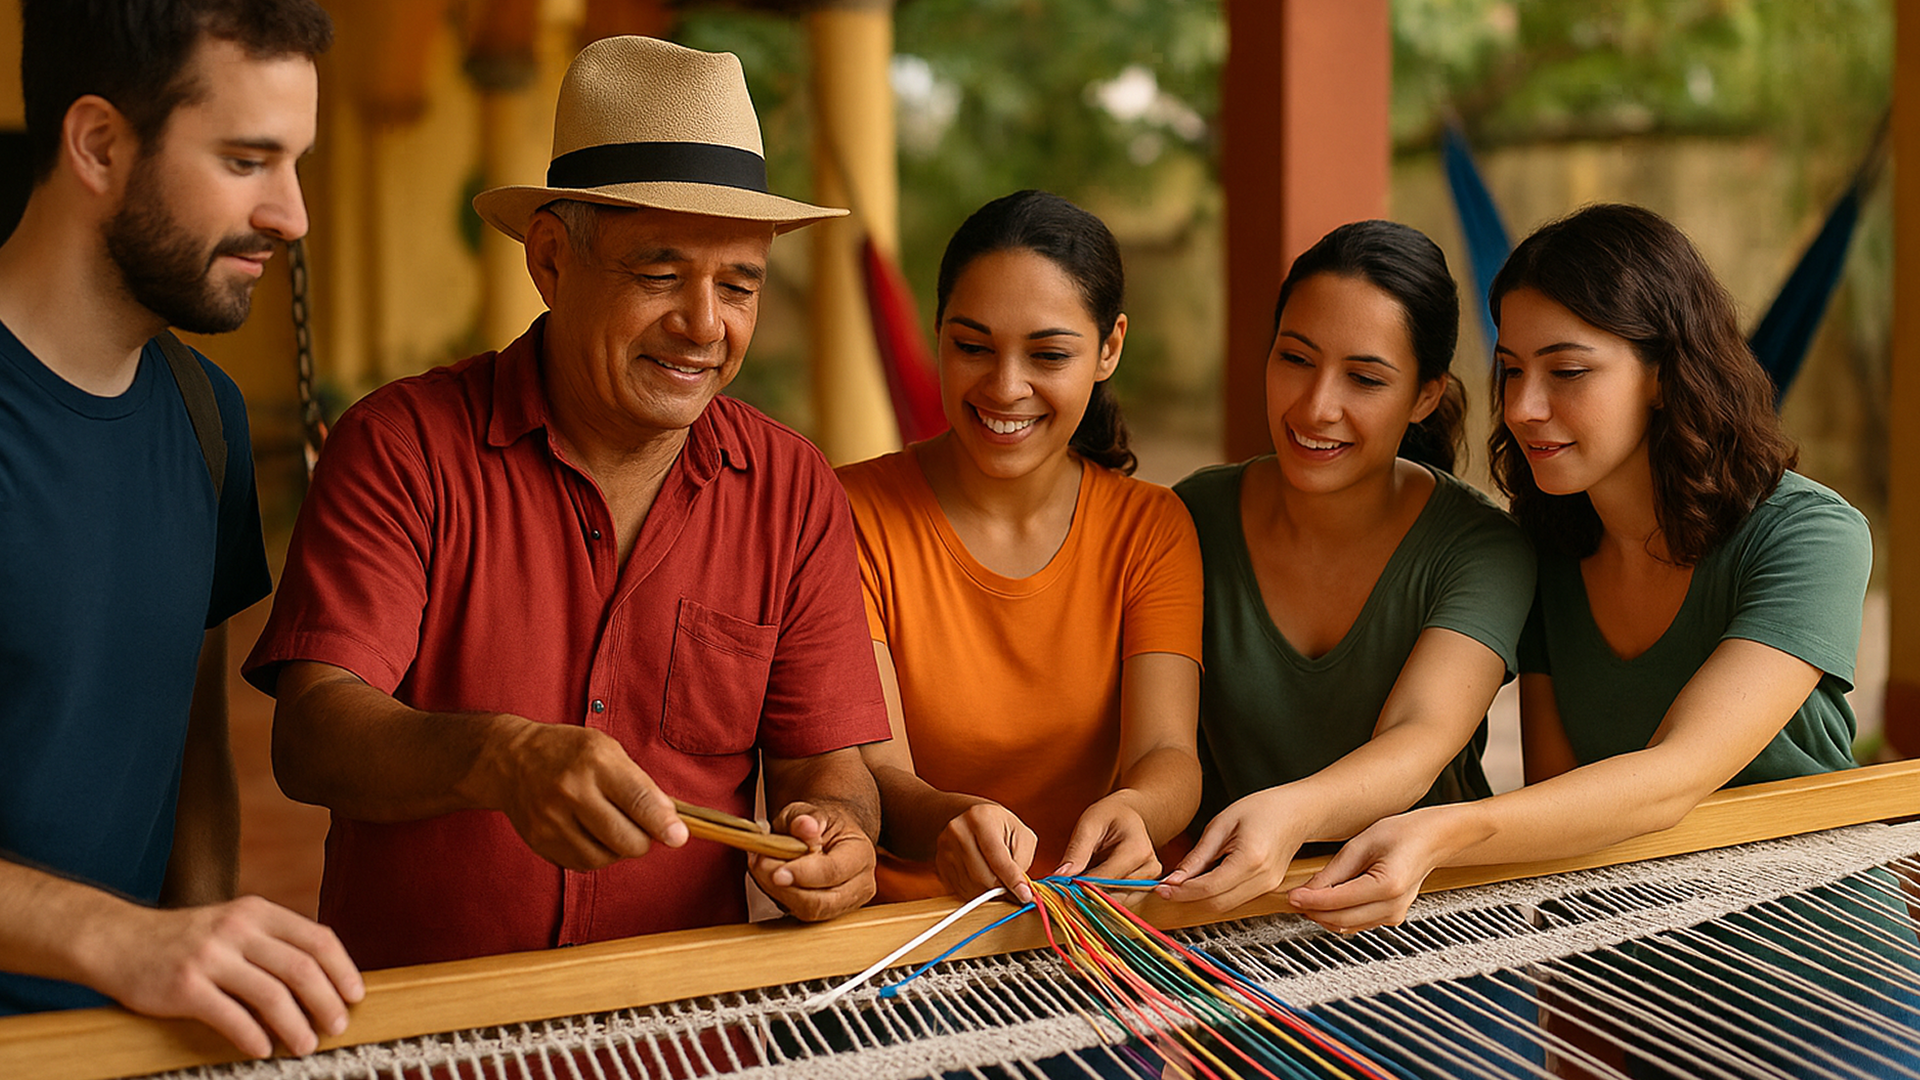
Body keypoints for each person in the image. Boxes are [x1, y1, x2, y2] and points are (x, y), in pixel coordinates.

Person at [244, 37, 891, 969]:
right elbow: (313, 731)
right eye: (659, 274)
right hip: (427, 1030)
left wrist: (838, 830)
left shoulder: (791, 493)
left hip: (684, 1031)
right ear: (550, 260)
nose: (704, 326)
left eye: (739, 286)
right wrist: (499, 758)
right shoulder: (403, 447)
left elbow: (823, 761)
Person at [1290, 203, 1871, 935]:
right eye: (1509, 371)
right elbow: (1558, 805)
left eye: (1567, 370)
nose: (1525, 407)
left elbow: (1678, 774)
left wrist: (1445, 832)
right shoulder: (1544, 552)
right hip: (1633, 975)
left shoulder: (1807, 535)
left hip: (1824, 966)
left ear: (1664, 372)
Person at [0, 0, 362, 1060]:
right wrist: (123, 939)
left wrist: (204, 955)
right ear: (101, 145)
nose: (292, 214)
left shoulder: (206, 416)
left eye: (295, 164)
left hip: (127, 1050)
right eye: (249, 161)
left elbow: (190, 758)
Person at [1153, 220, 1534, 919]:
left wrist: (1291, 814)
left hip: (1436, 929)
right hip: (1227, 927)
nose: (1315, 406)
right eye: (1295, 359)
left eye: (1364, 378)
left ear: (1425, 396)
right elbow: (1158, 742)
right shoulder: (1192, 516)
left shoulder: (1481, 546)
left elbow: (1417, 739)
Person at [839, 190, 1204, 904]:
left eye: (1048, 354)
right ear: (935, 334)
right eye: (972, 347)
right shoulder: (851, 513)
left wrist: (1139, 811)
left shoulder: (1150, 528)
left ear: (1109, 348)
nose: (1006, 388)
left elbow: (1167, 754)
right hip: (914, 940)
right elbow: (876, 773)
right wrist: (949, 820)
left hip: (1107, 916)